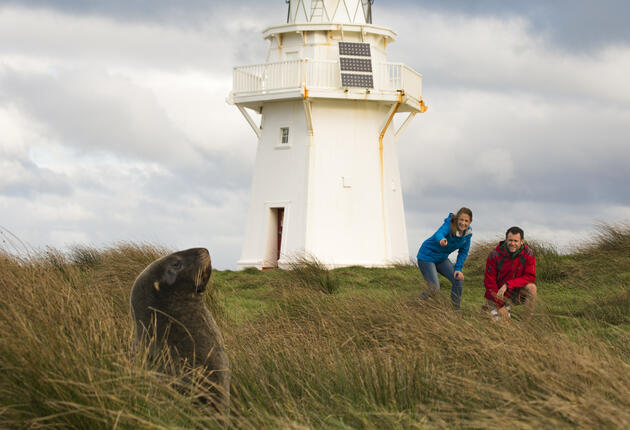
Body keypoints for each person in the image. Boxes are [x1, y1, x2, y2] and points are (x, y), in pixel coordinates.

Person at [417, 208, 473, 309]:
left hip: (441, 258)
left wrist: (458, 269)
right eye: (461, 219)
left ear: (470, 222)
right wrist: (441, 239)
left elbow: (463, 252)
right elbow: (439, 233)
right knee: (434, 289)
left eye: (466, 221)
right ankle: (418, 302)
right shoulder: (449, 225)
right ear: (457, 219)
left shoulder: (467, 235)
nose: (463, 223)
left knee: (458, 279)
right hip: (427, 256)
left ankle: (455, 311)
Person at [484, 226, 537, 321]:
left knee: (532, 288)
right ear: (506, 240)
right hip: (498, 294)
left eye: (516, 241)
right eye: (510, 240)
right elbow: (489, 281)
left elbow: (530, 277)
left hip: (515, 293)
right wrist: (500, 305)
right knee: (503, 324)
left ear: (522, 242)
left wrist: (508, 285)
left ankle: (526, 323)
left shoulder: (528, 254)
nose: (512, 243)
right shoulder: (494, 255)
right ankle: (489, 308)